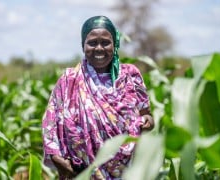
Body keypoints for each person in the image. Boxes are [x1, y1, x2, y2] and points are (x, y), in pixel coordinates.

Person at [42, 15, 154, 179]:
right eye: (92, 43)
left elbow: (146, 115)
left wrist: (147, 123)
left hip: (126, 171)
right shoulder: (69, 80)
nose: (99, 48)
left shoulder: (131, 76)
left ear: (114, 45)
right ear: (83, 45)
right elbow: (50, 123)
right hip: (80, 172)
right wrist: (55, 156)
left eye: (105, 42)